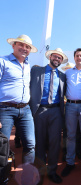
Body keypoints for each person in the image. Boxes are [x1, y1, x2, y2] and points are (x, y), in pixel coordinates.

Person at [30, 48, 67, 184]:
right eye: (55, 57)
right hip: (39, 111)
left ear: (61, 61)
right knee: (39, 143)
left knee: (55, 143)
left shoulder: (63, 76)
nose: (57, 59)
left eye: (59, 58)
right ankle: (39, 173)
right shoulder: (35, 71)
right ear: (50, 57)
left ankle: (52, 171)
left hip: (56, 111)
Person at [0, 34, 37, 165]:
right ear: (13, 45)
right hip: (5, 110)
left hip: (25, 110)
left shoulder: (28, 66)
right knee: (1, 146)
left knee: (31, 145)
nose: (24, 48)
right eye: (21, 44)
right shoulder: (2, 61)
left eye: (27, 46)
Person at [61, 48, 81, 178]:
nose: (79, 58)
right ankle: (70, 162)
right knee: (71, 136)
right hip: (70, 106)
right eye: (77, 56)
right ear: (74, 58)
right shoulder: (67, 73)